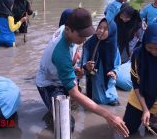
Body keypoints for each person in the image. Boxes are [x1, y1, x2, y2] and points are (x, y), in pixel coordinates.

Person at [36, 8, 129, 137]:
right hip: (49, 83)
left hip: (59, 74)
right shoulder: (61, 53)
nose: (85, 39)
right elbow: (74, 93)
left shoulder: (67, 30)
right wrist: (109, 116)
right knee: (67, 125)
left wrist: (75, 67)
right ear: (68, 30)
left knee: (70, 106)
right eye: (81, 35)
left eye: (87, 35)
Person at [83, 18, 120, 106]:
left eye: (106, 29)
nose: (101, 31)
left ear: (112, 32)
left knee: (113, 104)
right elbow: (82, 65)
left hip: (109, 85)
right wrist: (87, 67)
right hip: (94, 83)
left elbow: (118, 66)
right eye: (99, 27)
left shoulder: (114, 48)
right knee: (93, 103)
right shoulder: (89, 44)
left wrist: (114, 72)